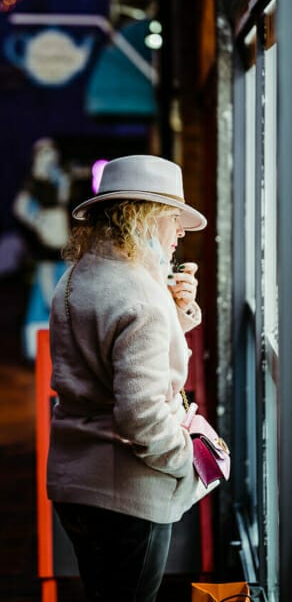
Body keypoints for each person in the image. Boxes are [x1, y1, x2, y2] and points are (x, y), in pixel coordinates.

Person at [47, 154, 207, 602]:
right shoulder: (141, 296)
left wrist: (173, 310)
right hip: (127, 493)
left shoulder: (76, 277)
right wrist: (191, 464)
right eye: (173, 218)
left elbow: (98, 358)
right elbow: (142, 418)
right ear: (143, 217)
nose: (180, 231)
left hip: (75, 482)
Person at [12, 137, 70, 360]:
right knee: (46, 296)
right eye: (44, 152)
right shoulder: (34, 183)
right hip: (46, 248)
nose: (49, 157)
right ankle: (39, 346)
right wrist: (39, 221)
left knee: (63, 295)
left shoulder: (59, 179)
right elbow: (20, 208)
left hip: (62, 246)